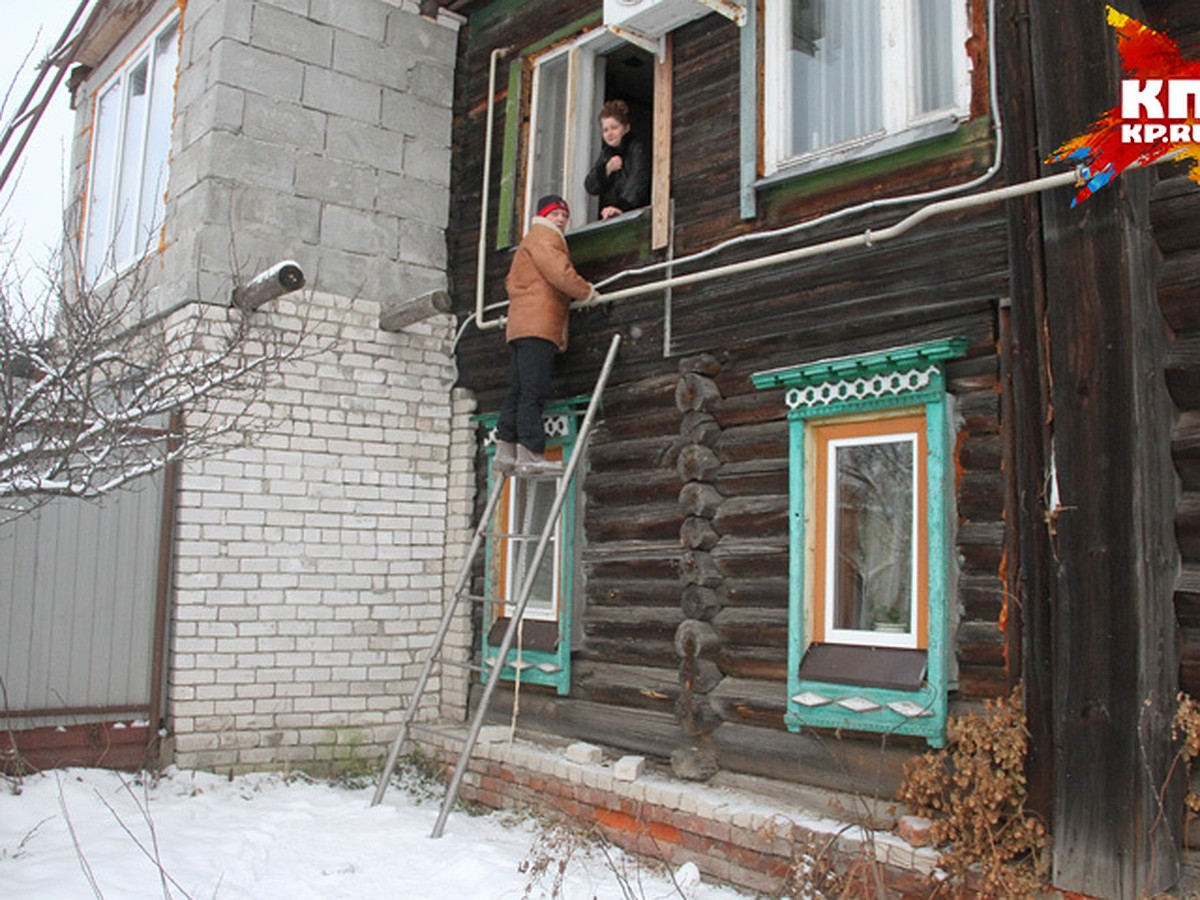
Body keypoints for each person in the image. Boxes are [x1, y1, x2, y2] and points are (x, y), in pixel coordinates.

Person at [495, 194, 597, 476]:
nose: (562, 220)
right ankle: (530, 453)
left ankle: (505, 452)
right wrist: (587, 292)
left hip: (521, 326)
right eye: (556, 214)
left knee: (517, 390)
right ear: (543, 216)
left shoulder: (528, 242)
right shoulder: (544, 237)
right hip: (538, 326)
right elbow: (560, 273)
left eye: (565, 215)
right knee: (534, 391)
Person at [584, 99, 650, 221]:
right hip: (611, 215)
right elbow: (590, 186)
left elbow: (638, 181)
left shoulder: (636, 148)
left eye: (614, 128)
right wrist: (607, 169)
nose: (609, 133)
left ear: (626, 128)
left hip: (636, 215)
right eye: (605, 130)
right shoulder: (606, 153)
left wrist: (620, 207)